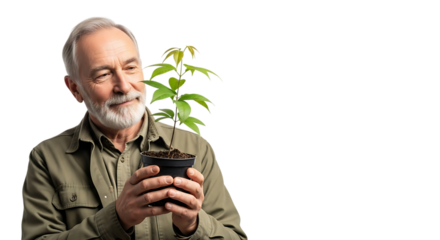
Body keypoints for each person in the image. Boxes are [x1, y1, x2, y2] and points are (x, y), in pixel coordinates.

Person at [20, 16, 249, 240]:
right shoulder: (46, 158)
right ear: (74, 89)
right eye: (103, 74)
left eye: (130, 68)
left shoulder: (197, 148)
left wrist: (193, 225)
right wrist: (116, 219)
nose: (123, 86)